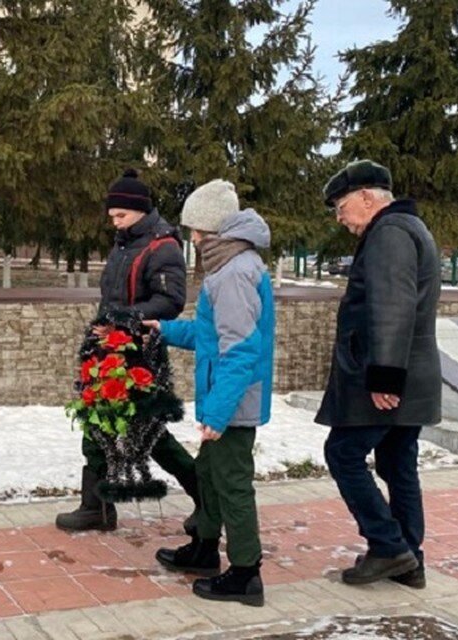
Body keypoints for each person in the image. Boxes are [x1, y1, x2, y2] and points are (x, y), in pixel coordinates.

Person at [147, 179, 274, 607]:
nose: (193, 238)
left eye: (198, 229)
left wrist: (217, 415)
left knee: (232, 484)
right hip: (224, 395)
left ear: (218, 229)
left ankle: (245, 574)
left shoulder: (235, 273)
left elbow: (240, 352)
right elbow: (210, 335)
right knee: (209, 476)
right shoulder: (228, 266)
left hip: (233, 401)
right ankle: (203, 550)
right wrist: (162, 330)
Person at [317, 159, 441, 588]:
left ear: (367, 198)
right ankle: (410, 557)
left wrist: (385, 376)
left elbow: (392, 306)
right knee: (397, 461)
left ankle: (389, 547)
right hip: (413, 375)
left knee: (343, 453)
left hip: (388, 376)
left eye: (342, 206)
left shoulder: (388, 233)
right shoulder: (409, 228)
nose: (340, 218)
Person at [56, 168, 201, 532]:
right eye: (112, 218)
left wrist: (125, 319)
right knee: (96, 424)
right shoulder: (124, 243)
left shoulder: (163, 246)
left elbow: (170, 301)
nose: (116, 223)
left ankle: (208, 497)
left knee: (150, 434)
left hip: (141, 354)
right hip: (107, 352)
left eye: (121, 216)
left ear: (140, 210)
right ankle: (96, 508)